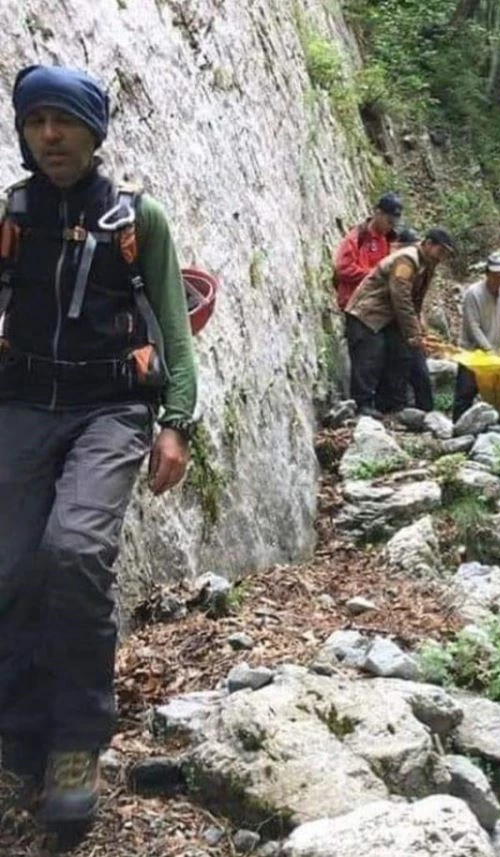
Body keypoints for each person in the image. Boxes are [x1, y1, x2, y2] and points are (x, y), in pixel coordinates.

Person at [0, 65, 197, 830]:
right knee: (10, 568)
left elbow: (175, 329)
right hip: (20, 402)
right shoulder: (13, 214)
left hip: (110, 410)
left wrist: (176, 420)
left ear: (94, 131)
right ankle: (19, 739)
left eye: (65, 121)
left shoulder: (136, 220)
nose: (50, 135)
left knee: (75, 551)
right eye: (36, 121)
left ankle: (77, 743)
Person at [345, 228, 455, 417]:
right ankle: (362, 405)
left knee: (402, 356)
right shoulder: (407, 260)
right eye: (441, 251)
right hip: (368, 313)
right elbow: (401, 298)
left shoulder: (427, 263)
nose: (442, 257)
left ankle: (393, 405)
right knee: (369, 358)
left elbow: (416, 300)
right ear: (428, 244)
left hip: (388, 318)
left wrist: (419, 329)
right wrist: (412, 333)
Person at [453, 252, 500, 421]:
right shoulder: (473, 293)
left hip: (495, 352)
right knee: (465, 391)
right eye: (495, 274)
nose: (499, 279)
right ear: (487, 273)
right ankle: (458, 427)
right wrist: (488, 349)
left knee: (496, 394)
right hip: (472, 352)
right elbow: (473, 325)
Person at [332, 191, 402, 311]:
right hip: (353, 304)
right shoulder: (357, 237)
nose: (391, 226)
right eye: (389, 221)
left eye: (394, 223)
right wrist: (373, 274)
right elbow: (343, 269)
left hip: (373, 304)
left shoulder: (388, 241)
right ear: (378, 213)